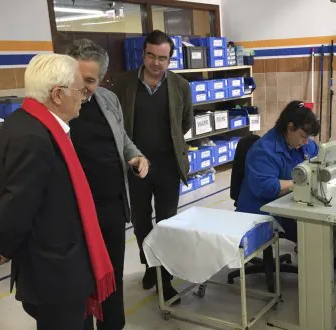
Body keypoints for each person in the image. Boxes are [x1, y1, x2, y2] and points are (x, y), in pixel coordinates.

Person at [0, 39, 149, 330]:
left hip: (108, 206)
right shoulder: (49, 117)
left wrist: (136, 155)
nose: (84, 89)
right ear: (60, 88)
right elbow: (14, 160)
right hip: (70, 218)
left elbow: (121, 137)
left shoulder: (106, 101)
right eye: (80, 81)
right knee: (75, 293)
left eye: (91, 81)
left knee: (109, 280)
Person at [0, 53, 116, 330]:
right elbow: (16, 203)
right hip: (54, 271)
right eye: (79, 90)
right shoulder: (34, 137)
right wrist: (2, 243)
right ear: (57, 94)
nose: (83, 96)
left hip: (59, 265)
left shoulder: (28, 122)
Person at [112, 30, 193, 302]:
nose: (156, 63)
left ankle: (165, 278)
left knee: (167, 221)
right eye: (151, 56)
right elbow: (116, 124)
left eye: (163, 58)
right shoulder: (123, 84)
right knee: (141, 220)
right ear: (143, 54)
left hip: (168, 165)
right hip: (135, 165)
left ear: (170, 59)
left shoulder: (180, 86)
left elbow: (185, 123)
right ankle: (149, 265)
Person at [236, 101, 320, 242]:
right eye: (303, 136)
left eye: (308, 137)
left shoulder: (302, 145)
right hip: (262, 210)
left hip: (287, 204)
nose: (306, 142)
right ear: (290, 127)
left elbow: (319, 159)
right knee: (315, 234)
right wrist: (301, 182)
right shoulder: (264, 151)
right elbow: (267, 187)